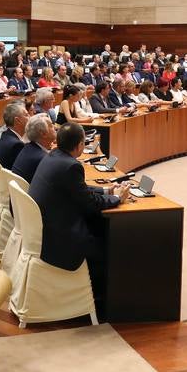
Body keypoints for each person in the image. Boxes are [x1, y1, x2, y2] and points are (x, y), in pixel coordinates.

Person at [27, 122, 126, 313]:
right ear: (80, 145)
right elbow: (90, 204)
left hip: (47, 228)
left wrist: (106, 190)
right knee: (111, 244)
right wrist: (116, 198)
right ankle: (100, 301)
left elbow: (77, 189)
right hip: (61, 239)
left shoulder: (54, 156)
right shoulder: (71, 166)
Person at [11, 114, 56, 183]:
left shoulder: (28, 147)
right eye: (51, 125)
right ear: (43, 134)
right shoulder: (42, 158)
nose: (55, 127)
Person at [0, 101, 29, 167]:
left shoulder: (6, 134)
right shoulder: (16, 145)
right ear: (18, 120)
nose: (30, 117)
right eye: (27, 115)